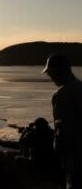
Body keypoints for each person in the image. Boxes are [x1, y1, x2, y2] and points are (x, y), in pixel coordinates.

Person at [43, 54, 82, 189]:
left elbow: (61, 128)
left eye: (50, 73)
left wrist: (58, 150)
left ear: (56, 71)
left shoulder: (61, 94)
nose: (50, 77)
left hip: (74, 154)